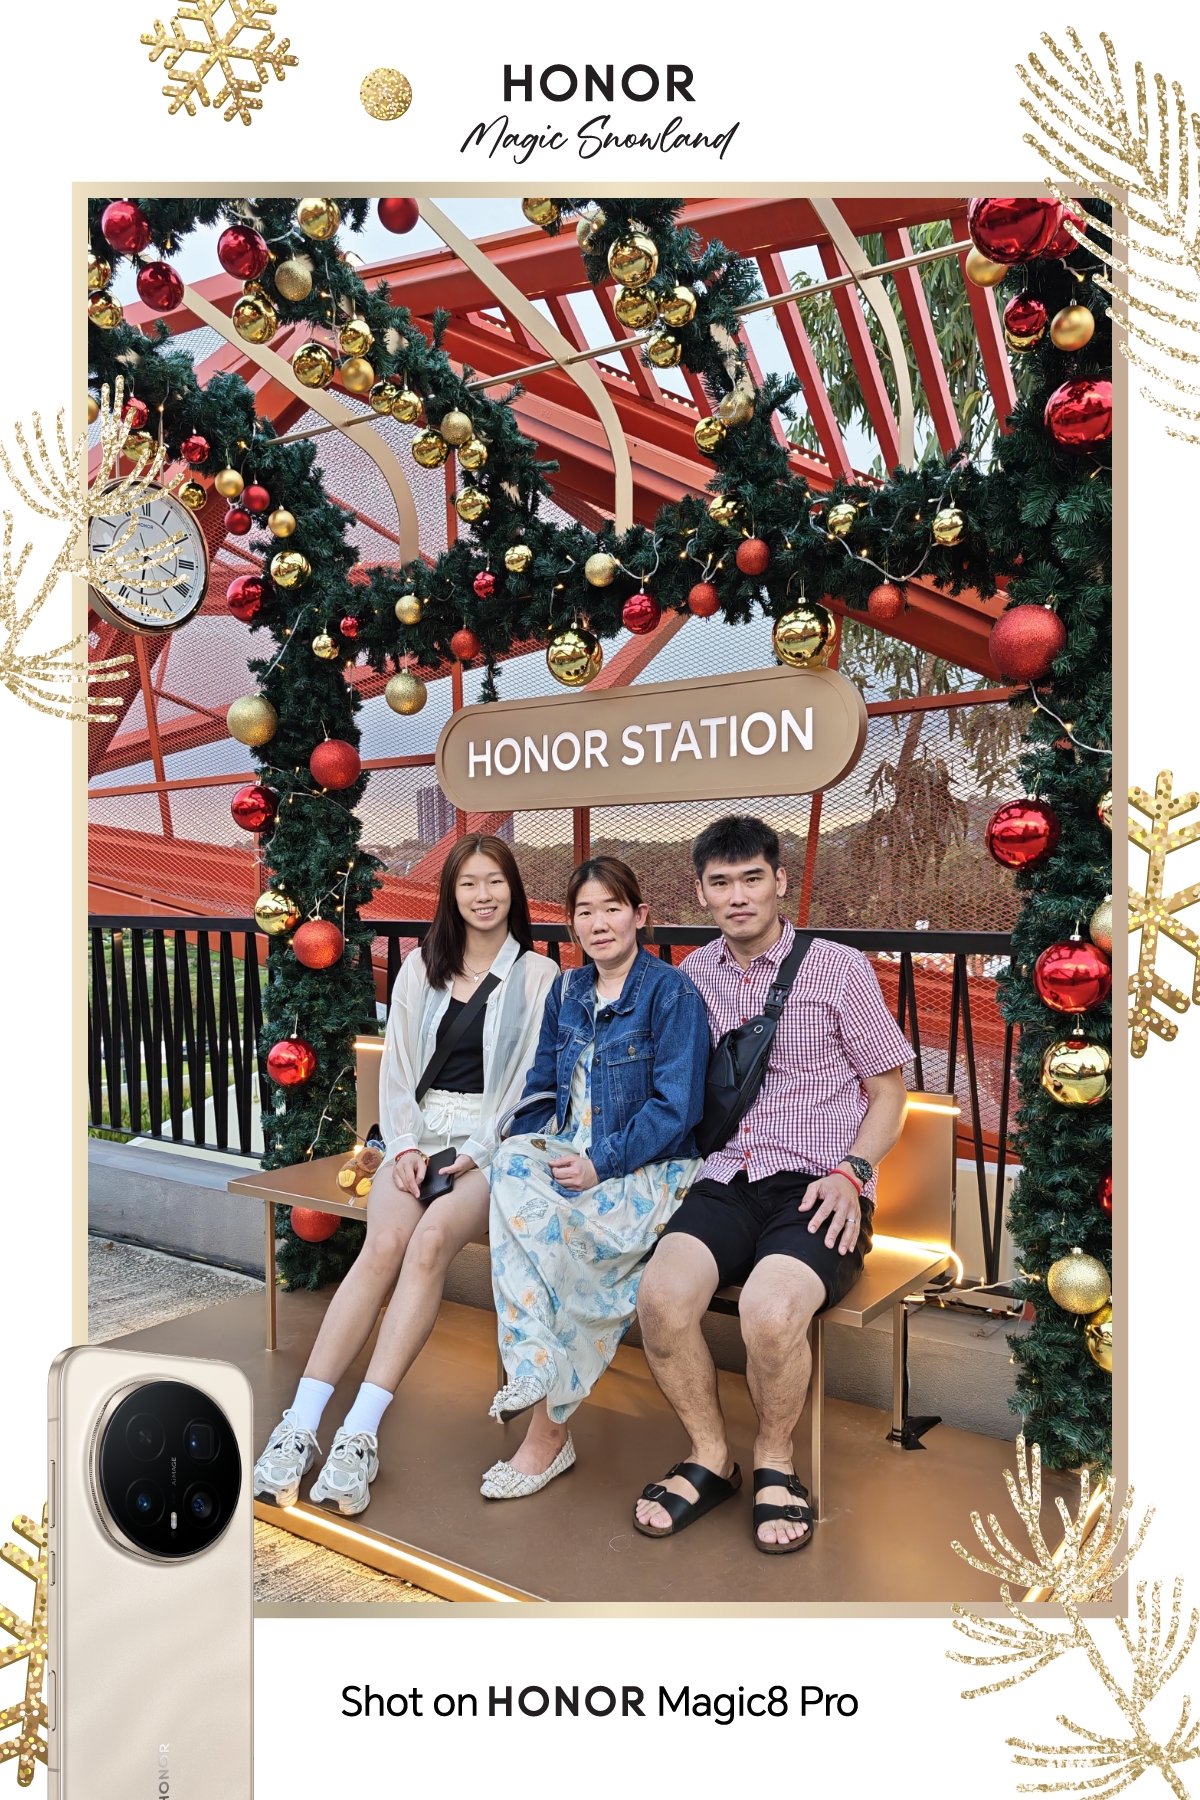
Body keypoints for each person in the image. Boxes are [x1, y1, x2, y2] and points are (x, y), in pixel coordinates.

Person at [252, 834, 558, 1516]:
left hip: (492, 1144)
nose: (483, 895)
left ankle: (359, 1434)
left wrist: (475, 1150)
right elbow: (396, 1070)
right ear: (451, 894)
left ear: (513, 890)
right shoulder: (423, 966)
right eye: (468, 883)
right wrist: (406, 1145)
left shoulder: (539, 977)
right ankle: (299, 1425)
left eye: (495, 881)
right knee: (382, 1246)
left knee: (428, 1245)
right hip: (417, 1133)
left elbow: (528, 1083)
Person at [633, 815, 912, 1554]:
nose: (738, 896)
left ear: (780, 881)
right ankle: (709, 1456)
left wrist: (854, 1174)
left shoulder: (839, 969)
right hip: (727, 1176)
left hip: (820, 1184)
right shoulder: (691, 978)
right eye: (720, 883)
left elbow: (889, 1092)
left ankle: (775, 1460)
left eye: (752, 878)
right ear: (701, 892)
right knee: (659, 1300)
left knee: (769, 1310)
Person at [481, 856, 710, 1501]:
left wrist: (598, 1164)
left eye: (613, 908)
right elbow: (542, 1085)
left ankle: (545, 1426)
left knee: (554, 1241)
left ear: (640, 916)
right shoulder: (568, 991)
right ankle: (533, 1365)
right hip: (572, 1154)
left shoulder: (671, 993)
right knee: (510, 1166)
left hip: (643, 1167)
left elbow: (676, 1109)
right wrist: (532, 1143)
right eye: (586, 911)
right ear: (572, 924)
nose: (599, 923)